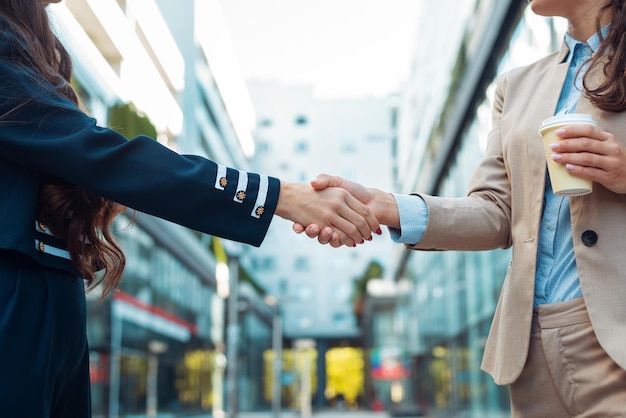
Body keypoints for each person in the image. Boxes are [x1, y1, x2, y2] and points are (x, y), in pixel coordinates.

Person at [0, 1, 380, 416]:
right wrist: (279, 197)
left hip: (50, 294)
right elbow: (103, 156)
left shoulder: (26, 41)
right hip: (18, 296)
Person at [298, 0, 626, 416]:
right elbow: (495, 212)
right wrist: (384, 206)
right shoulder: (517, 86)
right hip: (530, 345)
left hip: (615, 340)